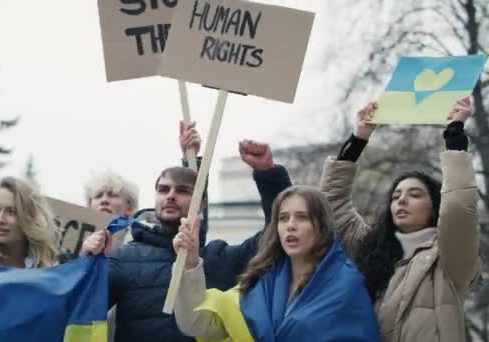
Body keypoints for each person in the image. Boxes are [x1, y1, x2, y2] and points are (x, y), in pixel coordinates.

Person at [84, 139, 292, 342]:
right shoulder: (123, 257)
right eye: (163, 190)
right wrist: (88, 261)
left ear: (201, 204)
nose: (171, 196)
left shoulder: (220, 257)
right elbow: (84, 306)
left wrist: (269, 175)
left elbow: (276, 236)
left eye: (182, 191)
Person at [320, 97, 479, 341]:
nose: (401, 201)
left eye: (415, 194)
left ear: (435, 207)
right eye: (396, 196)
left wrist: (455, 133)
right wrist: (358, 138)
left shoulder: (449, 257)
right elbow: (331, 205)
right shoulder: (371, 248)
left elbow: (459, 208)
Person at [172, 186, 379, 341]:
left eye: (302, 217)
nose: (290, 226)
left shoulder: (346, 285)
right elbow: (198, 323)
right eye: (283, 218)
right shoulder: (258, 284)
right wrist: (190, 263)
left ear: (322, 226)